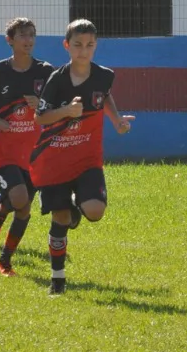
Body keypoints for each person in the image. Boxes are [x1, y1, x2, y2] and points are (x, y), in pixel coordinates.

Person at [31, 19, 134, 295]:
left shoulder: (103, 75)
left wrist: (117, 121)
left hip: (88, 158)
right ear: (66, 45)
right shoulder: (57, 79)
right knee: (60, 217)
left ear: (96, 46)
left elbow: (105, 96)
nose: (83, 50)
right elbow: (40, 117)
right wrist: (66, 111)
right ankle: (57, 279)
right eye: (77, 44)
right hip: (54, 160)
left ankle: (77, 208)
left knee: (96, 211)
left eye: (89, 45)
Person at [0, 18, 55, 276]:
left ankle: (5, 260)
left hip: (33, 152)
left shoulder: (45, 70)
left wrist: (40, 104)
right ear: (9, 40)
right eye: (22, 35)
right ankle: (0, 212)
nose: (28, 40)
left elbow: (56, 105)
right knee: (19, 198)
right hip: (4, 150)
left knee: (24, 208)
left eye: (32, 35)